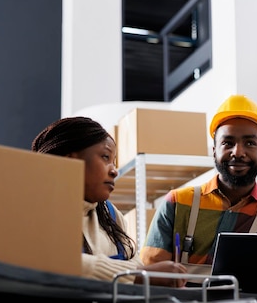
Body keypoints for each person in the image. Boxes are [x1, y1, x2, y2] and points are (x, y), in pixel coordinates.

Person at [141, 95, 257, 270]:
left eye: (249, 143)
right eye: (228, 143)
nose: (238, 152)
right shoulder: (177, 203)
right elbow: (150, 279)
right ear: (214, 152)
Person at [32, 116, 187, 287]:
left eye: (114, 162)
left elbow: (135, 264)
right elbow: (54, 262)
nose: (114, 171)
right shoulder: (33, 210)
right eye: (105, 157)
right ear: (70, 160)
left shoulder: (111, 215)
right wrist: (136, 276)